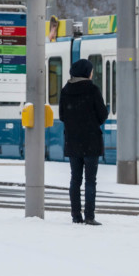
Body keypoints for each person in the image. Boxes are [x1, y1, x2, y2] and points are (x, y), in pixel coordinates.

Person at [58, 58, 109, 225]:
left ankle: (75, 215)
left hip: (73, 142)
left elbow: (62, 116)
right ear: (87, 72)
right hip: (91, 141)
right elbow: (102, 114)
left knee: (75, 179)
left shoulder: (65, 90)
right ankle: (89, 216)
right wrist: (91, 122)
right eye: (91, 70)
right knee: (90, 180)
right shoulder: (93, 90)